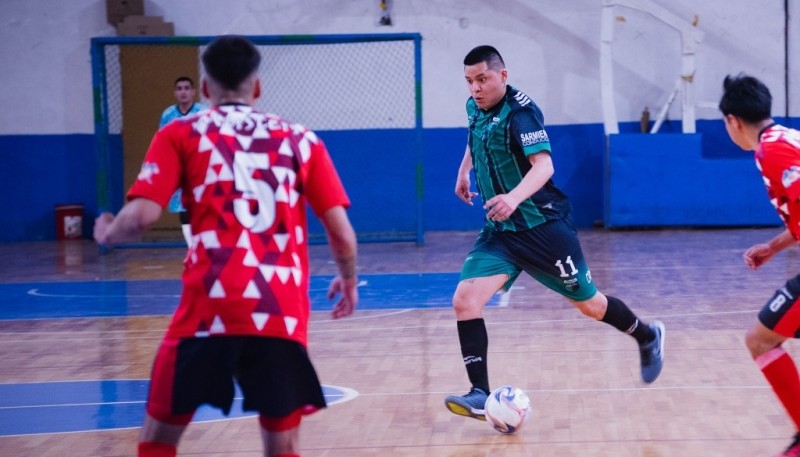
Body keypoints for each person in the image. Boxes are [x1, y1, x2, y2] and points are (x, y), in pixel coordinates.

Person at [94, 36, 359, 457]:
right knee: (282, 444)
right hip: (279, 310)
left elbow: (141, 217)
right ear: (257, 87)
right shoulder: (301, 140)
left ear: (203, 89)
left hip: (207, 309)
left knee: (157, 437)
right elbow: (342, 233)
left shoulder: (180, 132)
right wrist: (348, 281)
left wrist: (106, 231)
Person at [443, 45, 665, 420]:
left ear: (503, 75)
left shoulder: (521, 114)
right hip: (502, 231)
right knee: (465, 300)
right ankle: (480, 392)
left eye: (482, 79)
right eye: (469, 81)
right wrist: (464, 170)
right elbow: (474, 134)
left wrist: (513, 198)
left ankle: (647, 335)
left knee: (589, 305)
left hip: (543, 228)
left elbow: (543, 167)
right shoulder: (474, 106)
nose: (475, 88)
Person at [719, 73, 800, 457]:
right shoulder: (782, 139)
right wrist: (774, 245)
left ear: (733, 120)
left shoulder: (773, 151)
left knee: (760, 339)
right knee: (763, 338)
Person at [159, 76, 207, 246]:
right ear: (175, 93)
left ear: (193, 92)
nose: (183, 92)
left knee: (202, 205)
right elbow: (162, 141)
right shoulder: (168, 114)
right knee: (183, 207)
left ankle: (206, 244)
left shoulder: (203, 112)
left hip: (200, 165)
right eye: (179, 89)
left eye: (187, 88)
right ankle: (192, 247)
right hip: (179, 166)